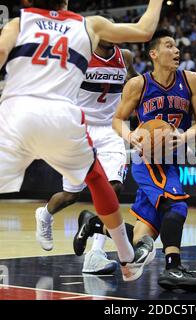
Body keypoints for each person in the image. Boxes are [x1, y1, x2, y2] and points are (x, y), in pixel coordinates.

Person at [0, 0, 164, 281]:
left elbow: (134, 81)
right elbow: (145, 29)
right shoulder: (86, 30)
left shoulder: (20, 23)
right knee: (77, 191)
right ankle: (51, 215)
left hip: (102, 127)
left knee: (110, 185)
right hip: (72, 121)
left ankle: (97, 255)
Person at [74, 29, 196, 292]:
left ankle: (94, 223)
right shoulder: (138, 84)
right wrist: (131, 135)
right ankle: (173, 267)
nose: (177, 51)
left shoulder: (191, 80)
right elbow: (117, 119)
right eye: (170, 46)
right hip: (148, 158)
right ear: (154, 54)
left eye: (177, 46)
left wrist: (184, 137)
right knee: (176, 207)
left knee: (143, 236)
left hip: (174, 157)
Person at [35, 35, 139, 275]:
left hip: (112, 128)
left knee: (114, 188)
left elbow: (134, 82)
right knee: (71, 195)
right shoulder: (79, 55)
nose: (113, 33)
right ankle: (46, 214)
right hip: (80, 129)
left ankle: (96, 254)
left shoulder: (124, 57)